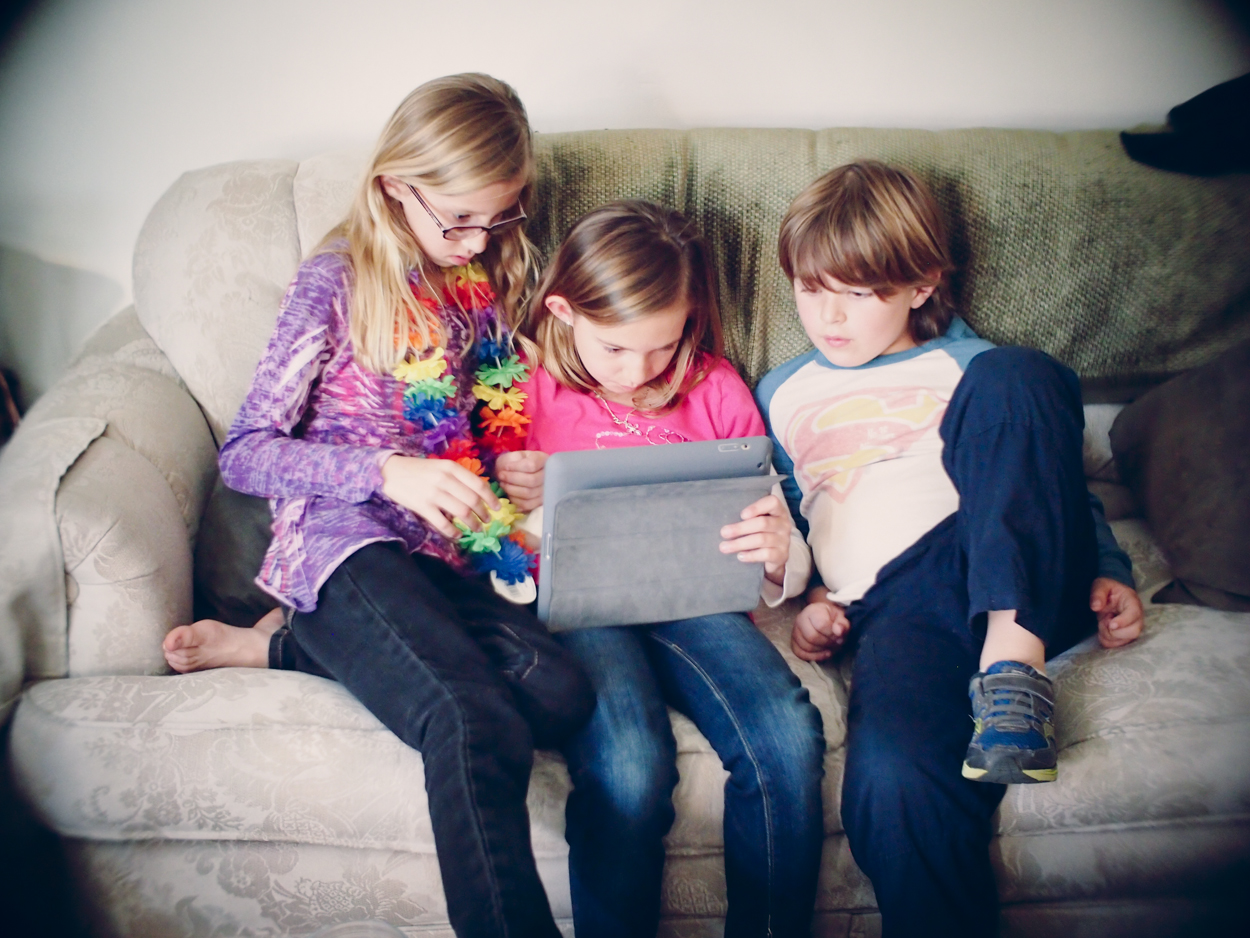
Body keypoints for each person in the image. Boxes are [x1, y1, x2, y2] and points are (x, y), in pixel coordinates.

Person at [162, 74, 595, 938]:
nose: (479, 240)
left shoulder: (479, 288)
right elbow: (246, 453)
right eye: (459, 218)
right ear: (396, 186)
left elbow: (484, 421)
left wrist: (514, 466)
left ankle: (288, 646)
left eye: (498, 217)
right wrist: (386, 472)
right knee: (470, 718)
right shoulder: (335, 283)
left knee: (561, 692)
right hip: (346, 541)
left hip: (447, 553)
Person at [754, 161, 1145, 937]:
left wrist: (1106, 566)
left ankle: (1012, 669)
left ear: (922, 285)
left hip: (1013, 573)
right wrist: (816, 598)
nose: (829, 317)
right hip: (902, 608)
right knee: (890, 782)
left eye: (859, 293)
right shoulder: (779, 390)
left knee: (1020, 375)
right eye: (810, 289)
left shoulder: (974, 364)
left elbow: (1054, 480)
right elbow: (796, 515)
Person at [494, 201, 826, 938]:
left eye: (663, 345)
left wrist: (783, 554)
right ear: (563, 311)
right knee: (630, 764)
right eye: (615, 348)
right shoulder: (522, 382)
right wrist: (515, 495)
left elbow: (771, 517)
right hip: (581, 605)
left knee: (785, 736)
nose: (639, 371)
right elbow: (478, 533)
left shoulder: (715, 387)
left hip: (695, 597)